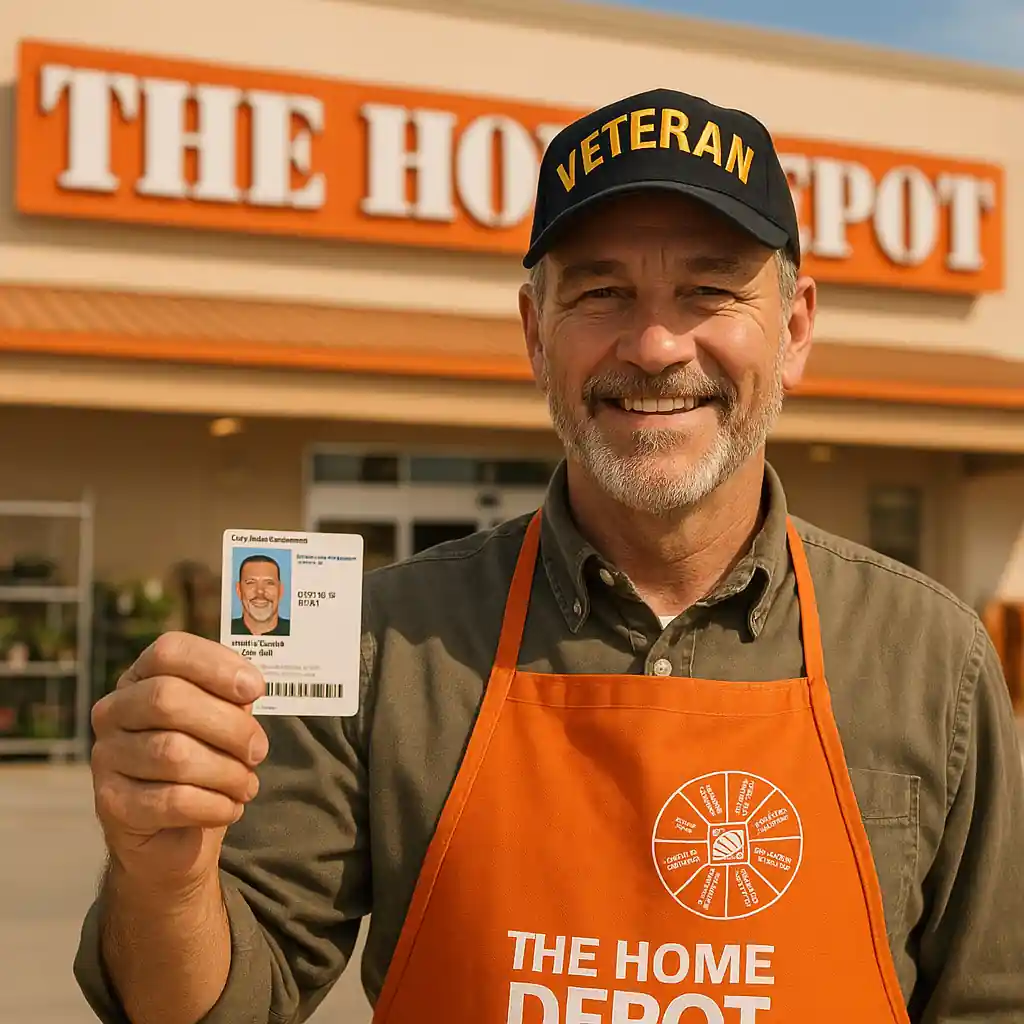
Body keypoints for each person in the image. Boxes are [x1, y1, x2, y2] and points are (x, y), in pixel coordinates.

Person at [76, 88, 1024, 1023]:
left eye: (710, 291)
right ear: (536, 334)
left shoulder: (932, 661)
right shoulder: (384, 644)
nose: (655, 346)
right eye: (602, 293)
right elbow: (225, 1006)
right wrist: (163, 879)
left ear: (796, 330)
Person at [230, 554, 290, 637]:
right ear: (239, 590)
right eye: (251, 582)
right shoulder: (224, 630)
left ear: (281, 590)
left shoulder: (297, 632)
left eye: (269, 583)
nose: (260, 591)